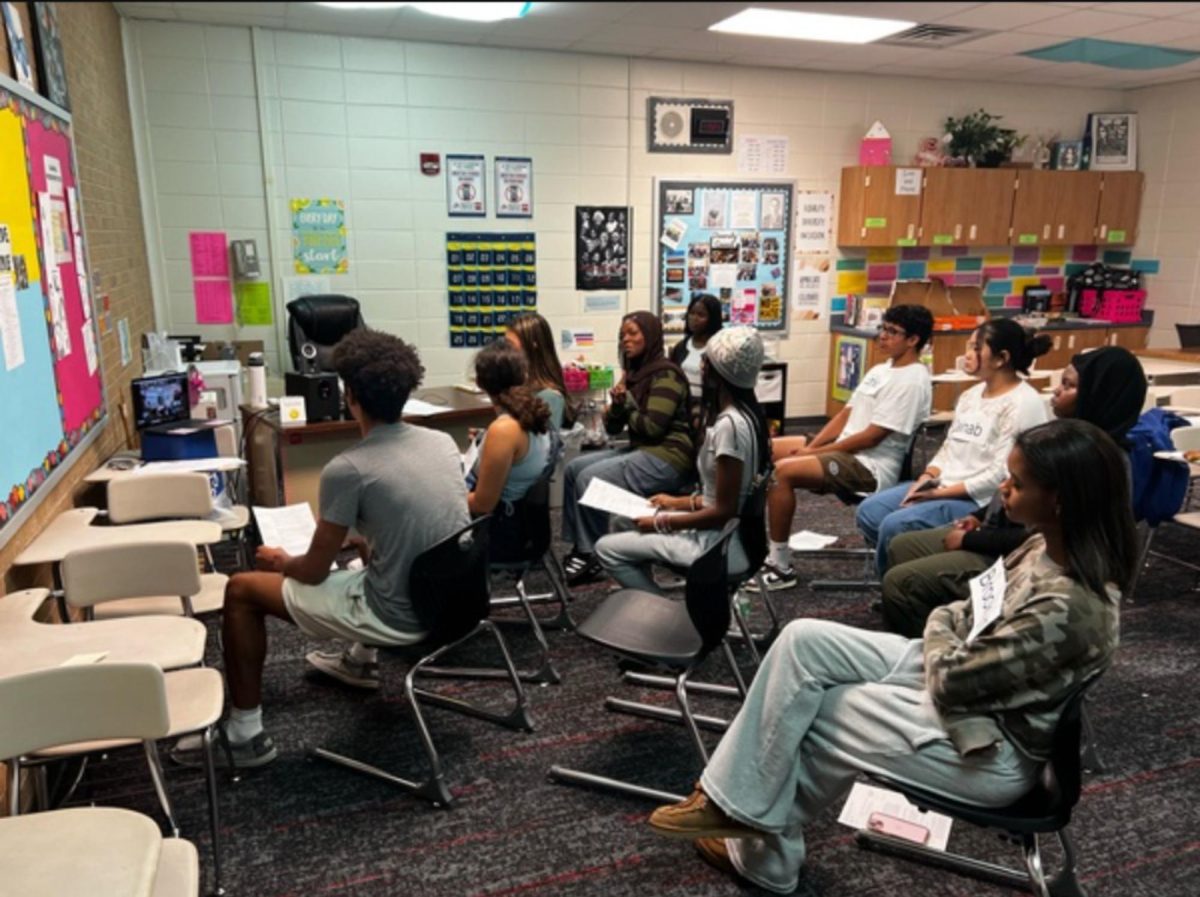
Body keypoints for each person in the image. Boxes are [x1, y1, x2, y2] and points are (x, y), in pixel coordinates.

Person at [647, 418, 1135, 894]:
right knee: (803, 638)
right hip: (968, 684)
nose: (1003, 489)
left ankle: (765, 860)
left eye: (1018, 482)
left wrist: (941, 625)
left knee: (823, 711)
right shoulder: (1041, 546)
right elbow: (968, 610)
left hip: (990, 744)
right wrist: (948, 626)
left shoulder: (1070, 606)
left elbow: (952, 668)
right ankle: (727, 801)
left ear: (1061, 500)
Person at [174, 330, 469, 767]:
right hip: (456, 604)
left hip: (400, 615)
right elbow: (419, 523)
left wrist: (281, 562)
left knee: (241, 589)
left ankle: (244, 735)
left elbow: (311, 572)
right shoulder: (442, 442)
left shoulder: (347, 468)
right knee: (360, 553)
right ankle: (358, 662)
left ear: (350, 396)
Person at [880, 345, 1146, 636]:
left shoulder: (1091, 461)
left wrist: (971, 539)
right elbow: (1008, 489)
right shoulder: (1065, 438)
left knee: (902, 581)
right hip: (998, 534)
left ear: (1099, 395)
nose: (1056, 392)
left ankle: (935, 642)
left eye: (1069, 386)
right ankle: (925, 621)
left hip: (1010, 552)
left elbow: (1038, 538)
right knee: (901, 545)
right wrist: (980, 518)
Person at [751, 304, 934, 592]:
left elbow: (872, 437)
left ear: (913, 340)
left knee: (781, 473)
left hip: (871, 467)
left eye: (892, 332)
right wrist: (813, 445)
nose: (882, 336)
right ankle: (747, 545)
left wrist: (812, 454)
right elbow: (845, 415)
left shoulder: (912, 380)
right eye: (883, 328)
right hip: (846, 451)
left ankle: (780, 565)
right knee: (760, 449)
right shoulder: (881, 369)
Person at [856, 319, 1051, 577]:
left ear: (1001, 358)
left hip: (976, 499)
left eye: (975, 348)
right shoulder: (971, 395)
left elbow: (1000, 475)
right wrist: (927, 478)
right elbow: (948, 448)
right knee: (870, 511)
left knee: (895, 525)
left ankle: (900, 584)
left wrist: (937, 495)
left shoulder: (1024, 403)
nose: (966, 355)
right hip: (943, 486)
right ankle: (912, 567)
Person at [595, 326, 770, 593]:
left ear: (717, 372)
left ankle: (662, 615)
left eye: (705, 360)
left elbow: (723, 510)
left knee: (606, 549)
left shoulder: (729, 427)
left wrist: (662, 521)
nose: (700, 365)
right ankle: (642, 603)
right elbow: (727, 496)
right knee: (621, 519)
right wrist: (677, 502)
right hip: (730, 533)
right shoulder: (750, 417)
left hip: (717, 543)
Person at [560, 311, 695, 586]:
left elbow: (653, 427)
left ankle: (591, 553)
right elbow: (611, 429)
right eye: (623, 335)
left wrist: (628, 402)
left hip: (670, 456)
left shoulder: (666, 374)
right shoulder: (636, 374)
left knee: (590, 479)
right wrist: (619, 405)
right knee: (574, 468)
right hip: (645, 449)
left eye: (633, 333)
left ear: (651, 335)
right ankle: (580, 545)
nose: (626, 340)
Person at [466, 339, 556, 561]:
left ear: (479, 383)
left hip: (500, 532)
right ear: (524, 376)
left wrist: (444, 496)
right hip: (523, 524)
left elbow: (482, 505)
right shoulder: (532, 415)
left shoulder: (504, 430)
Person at [505, 312, 575, 430]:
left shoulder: (549, 397)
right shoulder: (523, 386)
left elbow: (538, 444)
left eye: (511, 344)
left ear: (533, 346)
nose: (505, 351)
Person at [669, 293, 725, 402]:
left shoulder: (719, 348)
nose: (694, 318)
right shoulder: (681, 347)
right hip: (683, 405)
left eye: (701, 315)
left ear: (712, 319)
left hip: (709, 406)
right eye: (692, 313)